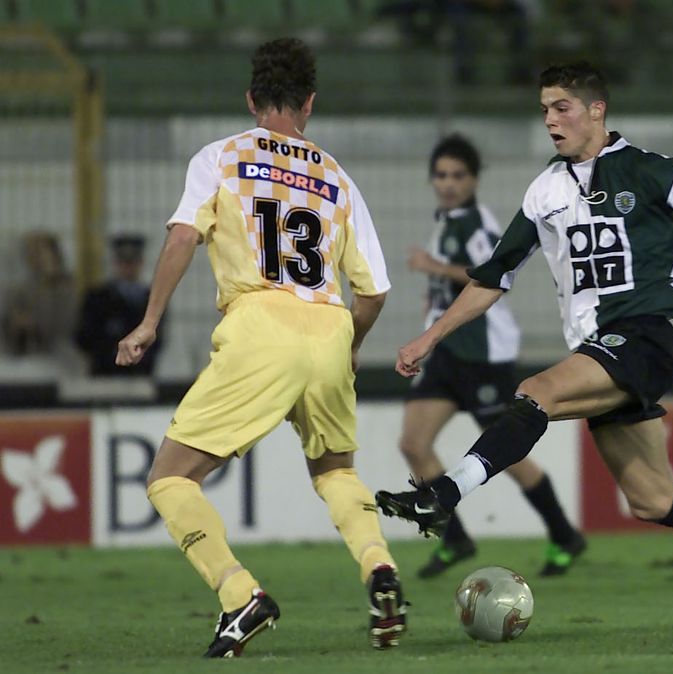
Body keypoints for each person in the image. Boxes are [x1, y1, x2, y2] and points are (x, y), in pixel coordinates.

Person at [377, 61, 673, 621]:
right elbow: (494, 274)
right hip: (600, 349)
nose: (550, 120)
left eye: (561, 107)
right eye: (543, 109)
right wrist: (430, 337)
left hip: (642, 338)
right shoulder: (545, 191)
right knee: (651, 499)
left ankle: (441, 496)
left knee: (537, 390)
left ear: (597, 110)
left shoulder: (650, 170)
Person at [116, 38, 405, 657]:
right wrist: (350, 347)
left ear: (251, 99)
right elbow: (375, 292)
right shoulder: (337, 178)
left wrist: (148, 323)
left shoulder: (220, 157)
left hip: (259, 326)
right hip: (330, 327)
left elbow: (181, 240)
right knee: (335, 471)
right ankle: (380, 567)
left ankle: (238, 593)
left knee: (170, 479)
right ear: (309, 103)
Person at [401, 133, 585, 579]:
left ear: (474, 179)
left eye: (458, 175)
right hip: (450, 355)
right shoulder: (447, 220)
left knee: (508, 456)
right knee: (413, 443)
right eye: (441, 175)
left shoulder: (477, 223)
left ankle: (564, 534)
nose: (448, 183)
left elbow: (487, 275)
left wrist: (434, 268)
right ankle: (455, 537)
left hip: (485, 355)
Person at [76, 234, 162, 376]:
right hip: (104, 372)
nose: (128, 267)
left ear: (140, 263)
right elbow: (84, 337)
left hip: (140, 373)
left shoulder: (151, 298)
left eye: (132, 261)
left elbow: (158, 338)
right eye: (124, 261)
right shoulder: (97, 298)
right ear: (116, 263)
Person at [1, 233, 76, 356]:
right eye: (30, 251)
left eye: (39, 251)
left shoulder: (66, 287)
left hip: (60, 354)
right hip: (23, 355)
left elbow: (65, 327)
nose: (33, 256)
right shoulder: (20, 289)